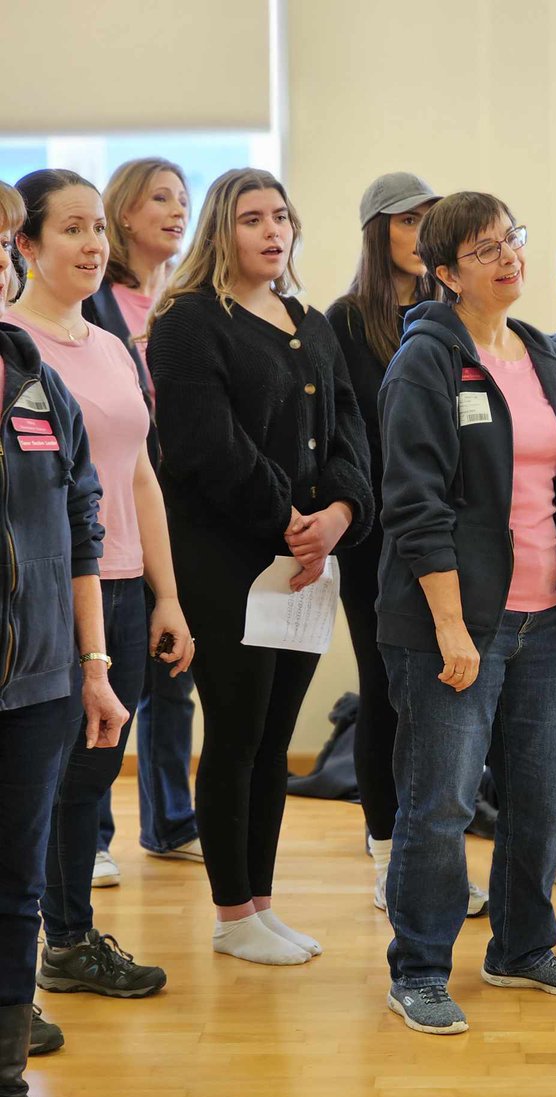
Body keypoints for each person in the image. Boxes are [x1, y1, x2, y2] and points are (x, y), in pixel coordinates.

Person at [378, 190, 556, 1036]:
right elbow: (413, 505)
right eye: (483, 249)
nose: (509, 255)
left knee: (545, 795)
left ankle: (520, 946)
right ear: (444, 274)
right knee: (438, 804)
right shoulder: (425, 363)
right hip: (457, 623)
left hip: (550, 617)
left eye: (511, 238)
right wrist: (447, 625)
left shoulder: (545, 355)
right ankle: (419, 970)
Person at [148, 168, 373, 965]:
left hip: (307, 561)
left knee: (276, 742)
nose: (272, 232)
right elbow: (207, 446)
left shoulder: (308, 321)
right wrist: (287, 523)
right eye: (253, 219)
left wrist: (339, 515)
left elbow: (349, 433)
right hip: (230, 559)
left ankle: (262, 904)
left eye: (281, 216)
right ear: (222, 230)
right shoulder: (186, 321)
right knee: (237, 733)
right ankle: (230, 912)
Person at [9, 168, 194, 999]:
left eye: (97, 231)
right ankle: (50, 944)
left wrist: (167, 595)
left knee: (91, 772)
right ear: (27, 245)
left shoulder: (114, 345)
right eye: (72, 230)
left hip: (120, 583)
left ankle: (69, 940)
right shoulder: (14, 346)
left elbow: (141, 477)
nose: (92, 245)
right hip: (47, 594)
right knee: (45, 779)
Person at [0, 179, 128, 1097]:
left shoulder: (28, 369)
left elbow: (83, 522)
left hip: (39, 679)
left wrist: (92, 664)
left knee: (17, 891)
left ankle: (5, 1089)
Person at [326, 171, 487, 917]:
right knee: (387, 692)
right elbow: (342, 434)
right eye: (407, 220)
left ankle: (436, 860)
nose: (421, 234)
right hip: (375, 538)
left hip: (451, 535)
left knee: (447, 701)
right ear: (375, 231)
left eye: (431, 220)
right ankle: (389, 853)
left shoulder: (452, 316)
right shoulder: (345, 322)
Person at [82, 157, 200, 883]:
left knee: (171, 675)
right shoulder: (97, 305)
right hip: (109, 507)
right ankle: (93, 836)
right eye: (160, 199)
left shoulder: (189, 304)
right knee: (107, 679)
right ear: (123, 214)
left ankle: (170, 820)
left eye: (183, 201)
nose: (176, 211)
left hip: (178, 505)